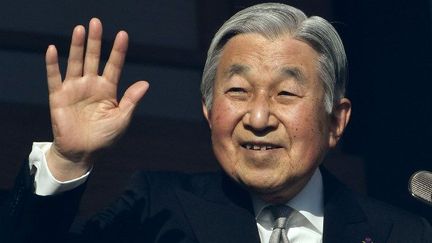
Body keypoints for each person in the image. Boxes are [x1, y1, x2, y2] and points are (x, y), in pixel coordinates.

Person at [1, 3, 431, 243]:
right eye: (238, 92)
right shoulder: (157, 209)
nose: (258, 118)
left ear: (336, 121)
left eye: (285, 94)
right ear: (209, 113)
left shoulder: (403, 234)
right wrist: (68, 159)